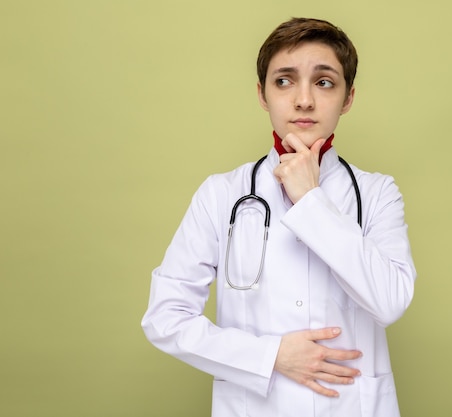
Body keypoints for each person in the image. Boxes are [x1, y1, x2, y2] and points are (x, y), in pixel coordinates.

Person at [141, 17, 416, 417]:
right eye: (284, 81)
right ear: (263, 94)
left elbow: (390, 302)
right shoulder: (221, 194)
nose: (304, 100)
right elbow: (165, 318)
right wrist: (270, 356)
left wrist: (310, 201)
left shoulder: (377, 194)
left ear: (349, 97)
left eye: (324, 82)